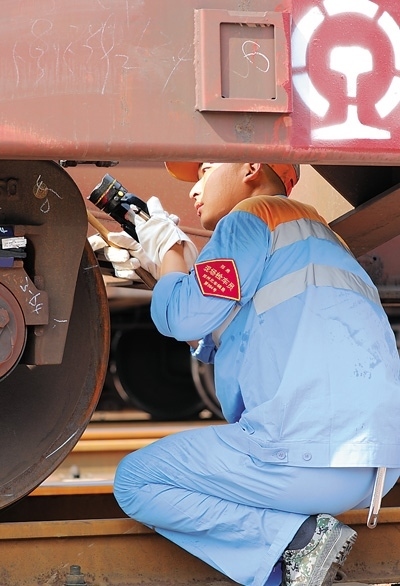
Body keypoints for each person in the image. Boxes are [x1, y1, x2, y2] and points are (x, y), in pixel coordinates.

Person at [90, 162, 400, 586]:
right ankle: (288, 565)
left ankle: (300, 541)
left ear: (251, 167)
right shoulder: (321, 238)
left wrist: (170, 251)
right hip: (371, 472)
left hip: (305, 458)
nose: (195, 190)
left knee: (137, 479)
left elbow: (182, 317)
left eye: (204, 171)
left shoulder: (250, 217)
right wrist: (173, 268)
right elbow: (221, 334)